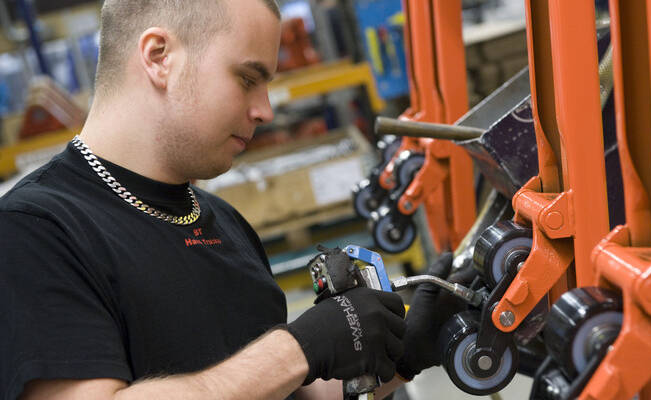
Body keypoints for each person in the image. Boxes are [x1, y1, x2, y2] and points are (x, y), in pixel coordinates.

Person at [0, 1, 472, 399]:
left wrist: (403, 354)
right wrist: (298, 348)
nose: (265, 110)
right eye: (248, 79)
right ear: (159, 55)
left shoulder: (219, 220)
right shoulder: (35, 230)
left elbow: (286, 390)